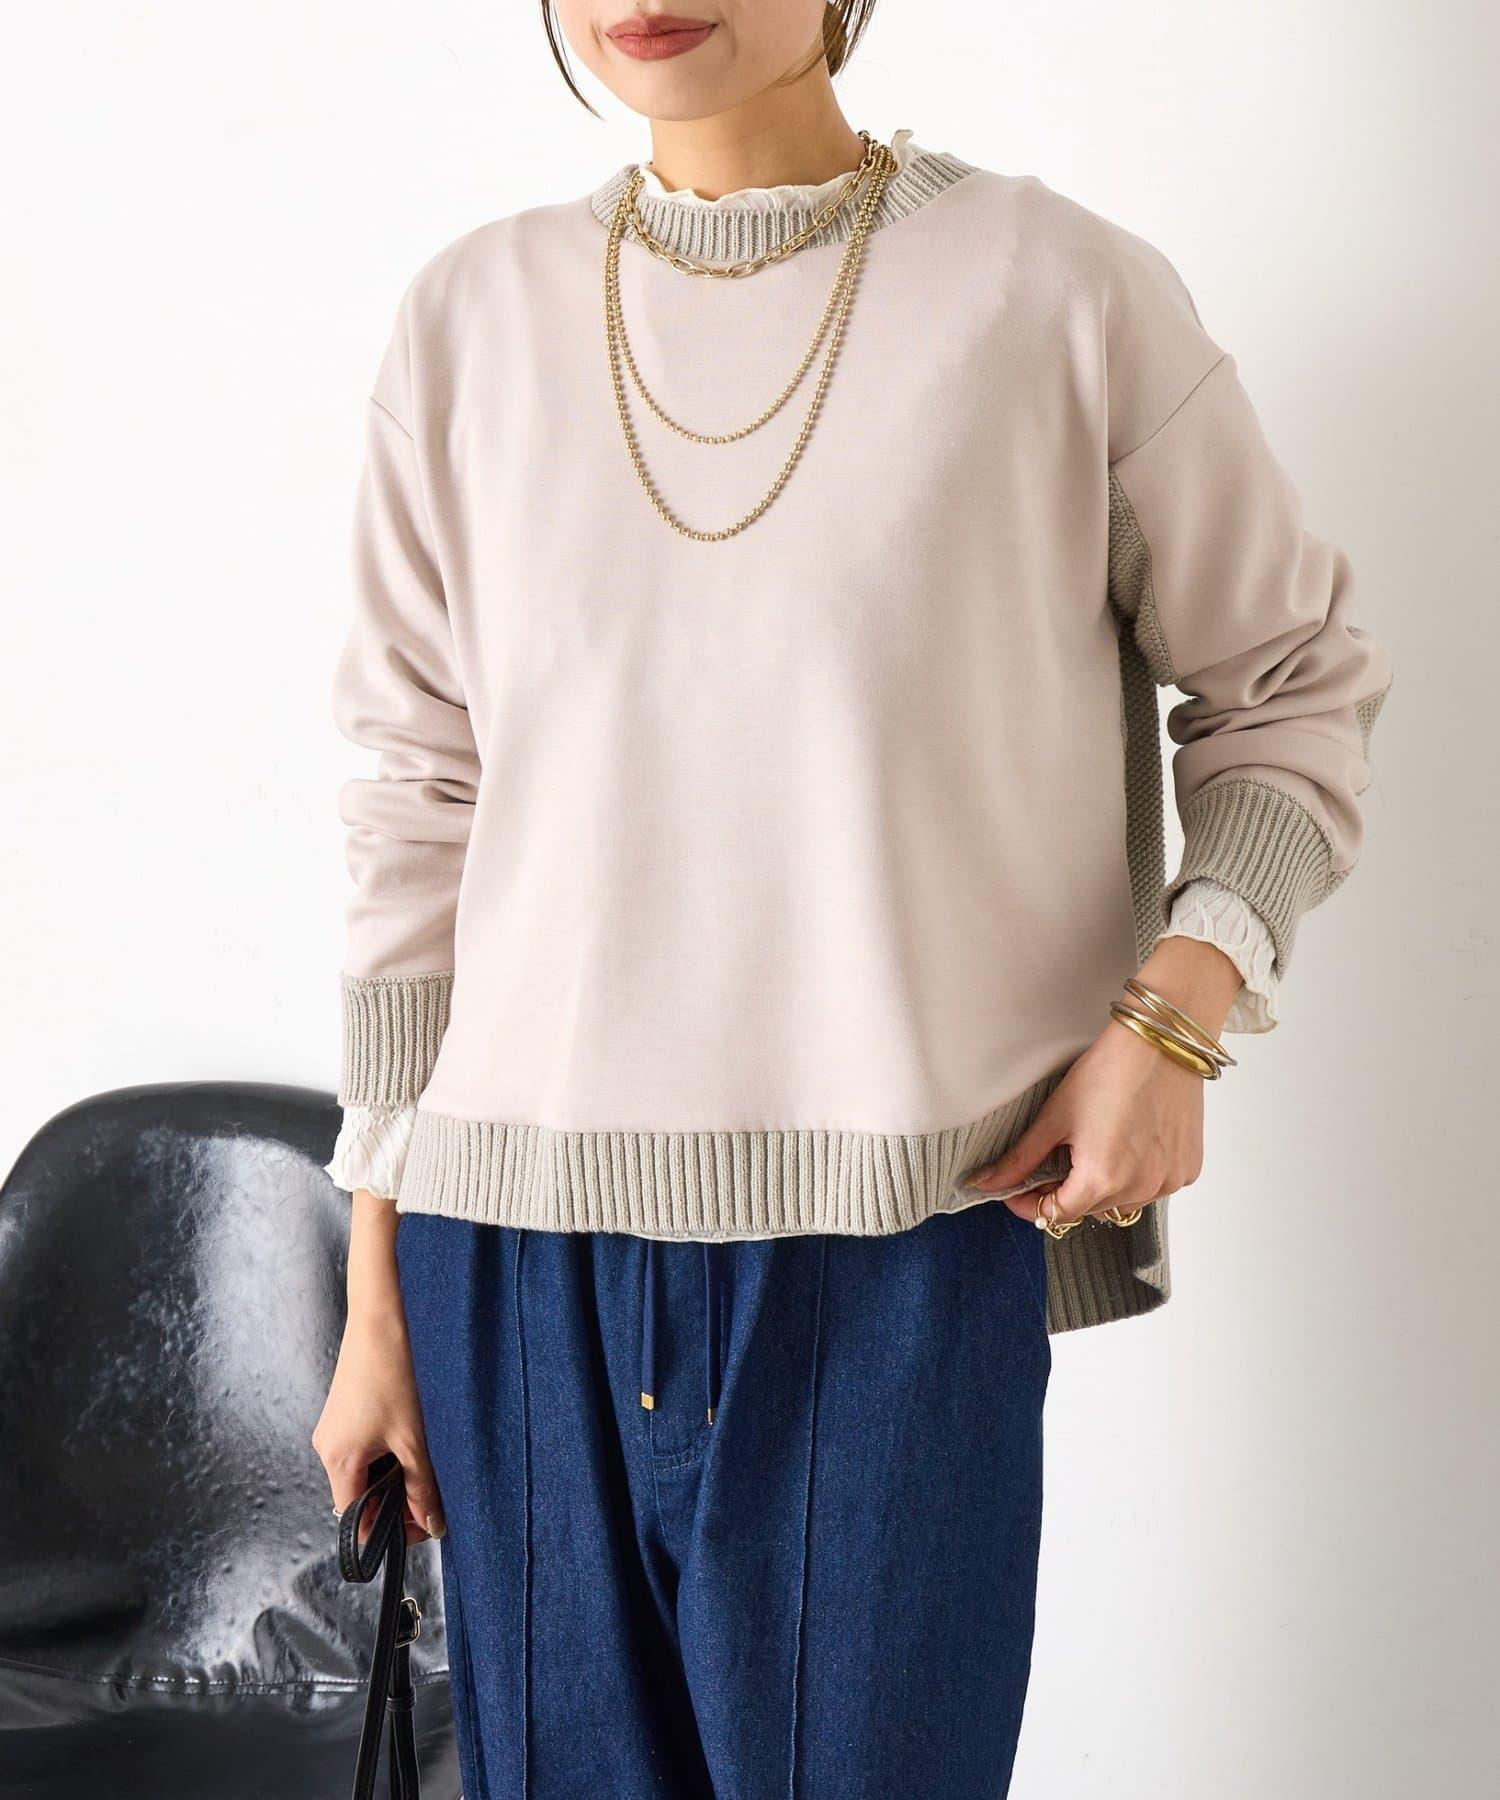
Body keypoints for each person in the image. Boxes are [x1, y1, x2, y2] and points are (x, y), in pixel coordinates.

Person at [312, 4, 1394, 1793]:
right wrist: (377, 1301)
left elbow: (1292, 687)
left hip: (897, 1244)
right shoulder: (468, 323)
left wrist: (1175, 1021)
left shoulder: (1060, 295)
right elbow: (416, 814)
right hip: (506, 1262)